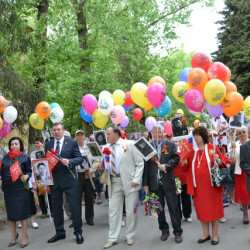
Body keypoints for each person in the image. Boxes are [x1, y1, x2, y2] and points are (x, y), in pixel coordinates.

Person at [181, 126, 225, 245]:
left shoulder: (212, 147)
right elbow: (185, 168)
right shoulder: (191, 152)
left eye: (198, 135)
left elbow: (223, 164)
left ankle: (215, 235)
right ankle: (206, 234)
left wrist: (218, 160)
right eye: (194, 135)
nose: (195, 137)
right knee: (202, 211)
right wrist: (183, 160)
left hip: (212, 187)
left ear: (203, 136)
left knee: (214, 211)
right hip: (198, 188)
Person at [103, 127, 144, 249]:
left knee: (131, 210)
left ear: (116, 134)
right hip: (114, 181)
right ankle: (112, 238)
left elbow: (140, 163)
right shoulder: (106, 148)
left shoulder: (130, 144)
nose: (107, 137)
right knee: (113, 210)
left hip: (130, 182)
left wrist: (136, 179)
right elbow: (106, 164)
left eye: (109, 134)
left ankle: (130, 235)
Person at [44, 122, 83, 244]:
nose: (56, 132)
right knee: (57, 209)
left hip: (69, 181)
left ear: (63, 130)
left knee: (75, 208)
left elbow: (79, 158)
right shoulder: (48, 144)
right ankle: (60, 233)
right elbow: (46, 162)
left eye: (58, 130)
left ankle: (78, 233)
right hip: (54, 182)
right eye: (54, 130)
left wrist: (70, 161)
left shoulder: (71, 143)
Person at [143, 125, 183, 244]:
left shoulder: (169, 144)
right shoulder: (148, 146)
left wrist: (167, 165)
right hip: (154, 183)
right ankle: (164, 230)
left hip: (168, 181)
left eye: (160, 133)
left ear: (164, 133)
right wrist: (145, 183)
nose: (158, 135)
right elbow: (146, 166)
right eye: (156, 133)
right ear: (152, 134)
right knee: (159, 209)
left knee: (173, 208)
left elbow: (176, 158)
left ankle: (177, 232)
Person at [0, 137, 32, 247]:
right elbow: (2, 172)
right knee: (11, 214)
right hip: (9, 189)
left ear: (20, 145)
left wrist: (27, 175)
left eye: (16, 144)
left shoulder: (25, 157)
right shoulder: (5, 158)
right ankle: (14, 235)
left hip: (21, 188)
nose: (14, 146)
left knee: (22, 213)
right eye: (12, 144)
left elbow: (29, 171)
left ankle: (24, 236)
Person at [75, 130, 99, 226]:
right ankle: (77, 220)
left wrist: (91, 170)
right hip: (77, 176)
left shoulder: (90, 146)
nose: (80, 137)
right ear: (76, 137)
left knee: (89, 197)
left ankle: (89, 218)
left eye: (82, 135)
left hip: (88, 175)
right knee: (77, 198)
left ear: (84, 136)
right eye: (78, 135)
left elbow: (97, 160)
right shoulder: (73, 148)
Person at [231, 127, 250, 224]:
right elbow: (233, 160)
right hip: (241, 172)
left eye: (244, 132)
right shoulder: (236, 144)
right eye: (239, 132)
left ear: (248, 132)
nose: (242, 134)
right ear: (237, 135)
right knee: (243, 195)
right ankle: (245, 213)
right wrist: (233, 148)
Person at [31, 136, 52, 219]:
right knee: (41, 194)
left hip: (47, 174)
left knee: (50, 193)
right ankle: (44, 211)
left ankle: (52, 210)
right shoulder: (33, 153)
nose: (37, 145)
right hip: (38, 174)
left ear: (43, 143)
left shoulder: (47, 151)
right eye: (35, 143)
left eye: (38, 143)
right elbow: (32, 162)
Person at [173, 140, 192, 223]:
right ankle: (178, 216)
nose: (176, 143)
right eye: (174, 142)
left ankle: (187, 215)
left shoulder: (184, 150)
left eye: (177, 142)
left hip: (184, 178)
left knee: (186, 198)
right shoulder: (170, 152)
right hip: (175, 178)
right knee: (176, 199)